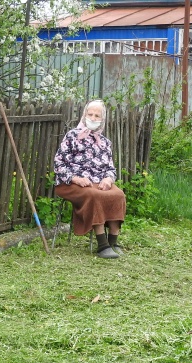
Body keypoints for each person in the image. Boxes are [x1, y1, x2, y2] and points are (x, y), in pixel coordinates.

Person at [53, 100, 126, 259]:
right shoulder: (72, 136)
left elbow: (111, 169)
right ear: (84, 115)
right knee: (94, 195)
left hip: (98, 181)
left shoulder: (105, 143)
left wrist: (108, 179)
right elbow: (58, 163)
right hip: (71, 183)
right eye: (90, 114)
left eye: (97, 115)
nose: (92, 118)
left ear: (102, 119)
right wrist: (76, 179)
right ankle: (102, 245)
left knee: (119, 195)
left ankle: (113, 242)